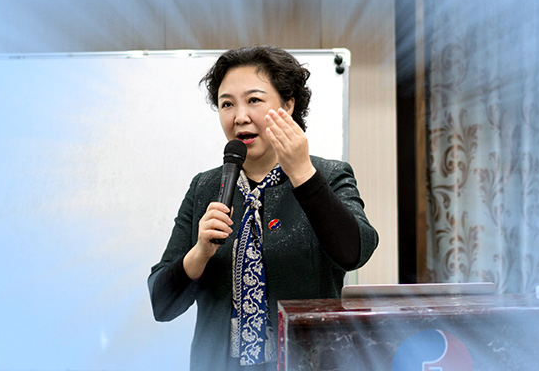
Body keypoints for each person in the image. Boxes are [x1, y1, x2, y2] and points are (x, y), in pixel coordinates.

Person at [148, 45, 378, 371]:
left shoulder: (326, 176)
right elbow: (162, 304)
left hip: (308, 363)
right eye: (227, 104)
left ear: (288, 104)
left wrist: (303, 174)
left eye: (254, 100)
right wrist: (199, 253)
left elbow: (354, 252)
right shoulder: (205, 188)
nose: (240, 116)